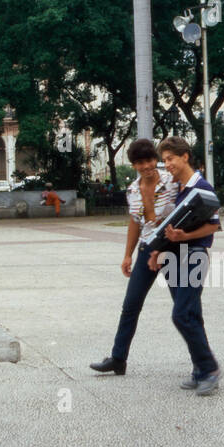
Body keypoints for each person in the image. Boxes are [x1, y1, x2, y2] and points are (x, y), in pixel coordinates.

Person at [90, 138, 177, 380]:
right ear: (134, 165)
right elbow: (135, 223)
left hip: (172, 249)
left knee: (183, 307)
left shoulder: (172, 182)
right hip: (147, 250)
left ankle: (201, 363)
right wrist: (127, 254)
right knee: (130, 305)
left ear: (155, 159)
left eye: (149, 160)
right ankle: (118, 359)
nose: (146, 166)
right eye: (140, 163)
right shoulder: (132, 190)